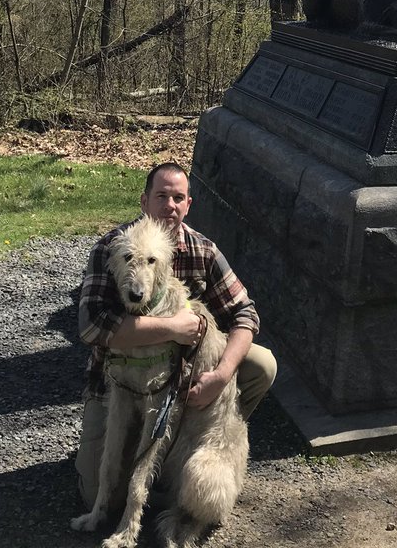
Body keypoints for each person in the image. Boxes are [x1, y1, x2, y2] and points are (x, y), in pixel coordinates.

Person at [74, 160, 277, 507]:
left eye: (178, 197)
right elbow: (92, 326)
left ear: (188, 205)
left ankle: (196, 436)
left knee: (262, 364)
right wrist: (172, 328)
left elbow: (245, 313)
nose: (169, 205)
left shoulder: (204, 250)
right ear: (144, 201)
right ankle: (129, 445)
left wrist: (220, 375)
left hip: (180, 380)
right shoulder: (113, 247)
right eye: (161, 195)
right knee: (97, 494)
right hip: (119, 384)